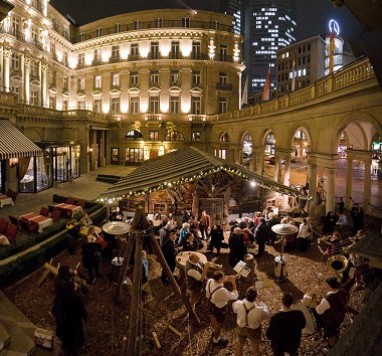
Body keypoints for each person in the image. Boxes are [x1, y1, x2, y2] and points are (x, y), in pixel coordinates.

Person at [52, 266, 87, 356]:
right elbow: (81, 308)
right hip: (72, 324)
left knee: (66, 339)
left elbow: (55, 309)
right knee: (73, 341)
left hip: (63, 324)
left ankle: (66, 349)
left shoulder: (60, 294)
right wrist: (84, 315)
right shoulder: (74, 297)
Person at [232, 286, 270, 356]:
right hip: (254, 331)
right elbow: (267, 313)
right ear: (255, 297)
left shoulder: (238, 303)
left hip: (241, 328)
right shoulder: (259, 310)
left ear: (246, 294)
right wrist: (260, 301)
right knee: (255, 349)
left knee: (240, 345)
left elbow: (234, 309)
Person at [206, 271, 238, 346]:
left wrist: (226, 278)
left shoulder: (210, 281)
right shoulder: (222, 291)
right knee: (219, 324)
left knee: (212, 316)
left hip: (211, 303)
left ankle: (214, 331)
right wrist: (233, 282)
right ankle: (215, 340)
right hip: (220, 309)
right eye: (223, 278)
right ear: (220, 279)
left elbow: (207, 293)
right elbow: (235, 296)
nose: (224, 278)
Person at [314, 276, 348, 349]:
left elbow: (319, 311)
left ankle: (333, 347)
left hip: (332, 322)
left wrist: (316, 304)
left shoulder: (327, 299)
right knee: (336, 330)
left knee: (331, 334)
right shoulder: (342, 291)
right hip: (341, 316)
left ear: (329, 286)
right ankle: (337, 336)